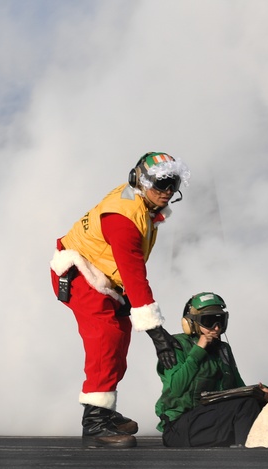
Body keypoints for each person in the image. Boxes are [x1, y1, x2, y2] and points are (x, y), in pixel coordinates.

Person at [50, 152, 189, 449]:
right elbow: (135, 275)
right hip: (79, 273)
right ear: (140, 181)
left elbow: (127, 271)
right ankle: (94, 425)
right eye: (161, 183)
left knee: (120, 335)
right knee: (106, 337)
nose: (167, 191)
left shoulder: (143, 204)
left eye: (173, 183)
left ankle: (103, 410)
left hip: (103, 276)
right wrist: (157, 333)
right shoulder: (124, 219)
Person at [155, 292, 268, 448]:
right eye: (209, 321)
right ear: (191, 323)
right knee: (246, 405)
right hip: (179, 428)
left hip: (210, 421)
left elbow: (237, 390)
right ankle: (249, 458)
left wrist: (263, 394)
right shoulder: (175, 345)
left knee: (256, 403)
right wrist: (198, 351)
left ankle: (254, 452)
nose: (216, 328)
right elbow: (176, 389)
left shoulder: (223, 349)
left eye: (220, 321)